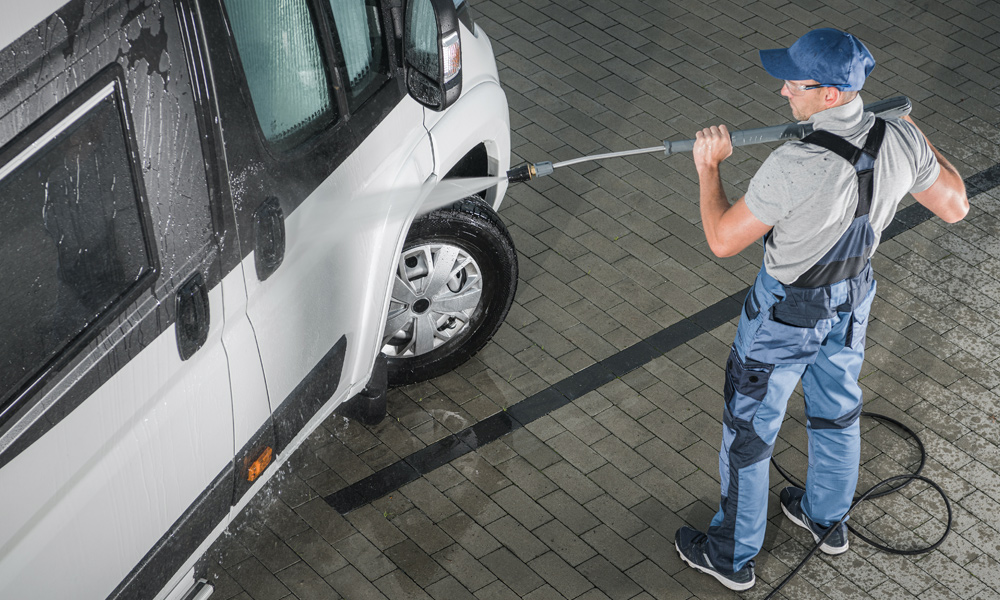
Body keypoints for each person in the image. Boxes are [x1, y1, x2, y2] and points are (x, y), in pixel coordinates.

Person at [673, 27, 969, 591]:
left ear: (830, 94)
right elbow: (954, 205)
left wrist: (709, 167)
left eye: (795, 82)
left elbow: (721, 240)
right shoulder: (901, 140)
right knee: (836, 411)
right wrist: (916, 138)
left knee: (750, 431)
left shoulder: (795, 163)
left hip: (786, 312)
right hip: (853, 297)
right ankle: (825, 518)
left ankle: (730, 555)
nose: (784, 90)